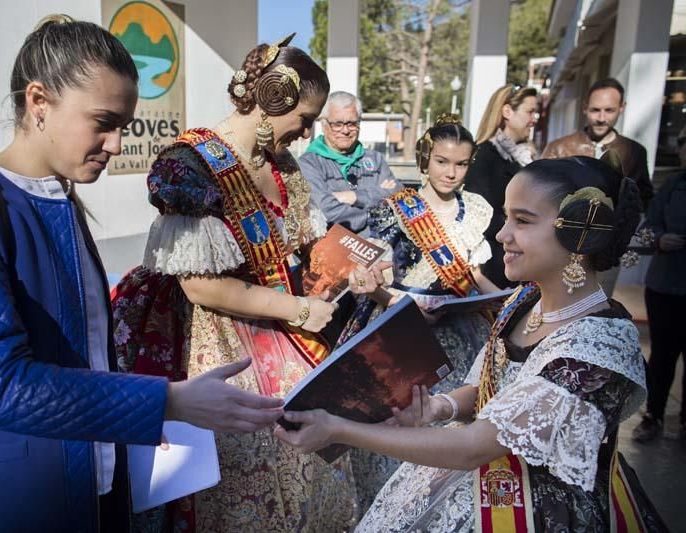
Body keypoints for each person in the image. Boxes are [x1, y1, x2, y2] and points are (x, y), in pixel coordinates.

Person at [0, 16, 284, 533]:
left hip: (94, 491)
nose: (115, 144)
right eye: (103, 122)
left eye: (124, 126)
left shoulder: (63, 199)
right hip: (4, 503)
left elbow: (86, 354)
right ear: (39, 102)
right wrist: (168, 401)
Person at [276, 156, 668, 531]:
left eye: (523, 221)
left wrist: (338, 429)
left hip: (542, 512)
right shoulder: (525, 300)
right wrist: (437, 407)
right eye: (506, 216)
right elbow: (491, 388)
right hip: (481, 486)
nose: (502, 235)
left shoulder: (600, 343)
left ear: (579, 234)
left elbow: (474, 446)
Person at [112, 35, 357, 531]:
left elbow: (303, 250)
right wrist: (298, 309)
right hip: (215, 341)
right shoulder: (192, 165)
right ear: (274, 98)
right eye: (305, 118)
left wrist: (352, 267)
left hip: (282, 329)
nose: (308, 132)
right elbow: (200, 286)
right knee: (242, 481)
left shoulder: (282, 166)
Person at [338, 114, 500, 514]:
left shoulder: (477, 209)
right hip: (402, 331)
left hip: (461, 332)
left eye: (461, 164)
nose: (451, 172)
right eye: (443, 162)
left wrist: (504, 303)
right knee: (396, 426)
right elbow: (377, 278)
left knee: (453, 425)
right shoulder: (396, 209)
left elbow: (475, 275)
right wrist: (396, 302)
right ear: (425, 160)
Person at [465, 84, 538, 289]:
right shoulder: (484, 156)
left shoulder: (525, 156)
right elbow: (481, 214)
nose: (534, 119)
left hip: (519, 260)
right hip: (494, 266)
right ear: (507, 111)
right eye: (530, 111)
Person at [299, 90, 401, 236]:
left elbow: (398, 197)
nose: (345, 130)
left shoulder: (375, 159)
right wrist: (374, 212)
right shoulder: (309, 163)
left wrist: (354, 197)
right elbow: (326, 212)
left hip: (379, 249)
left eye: (352, 123)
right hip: (332, 251)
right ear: (324, 124)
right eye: (337, 124)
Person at [632, 170, 686, 442]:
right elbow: (647, 228)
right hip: (666, 285)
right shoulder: (674, 184)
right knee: (663, 356)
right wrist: (659, 239)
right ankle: (653, 415)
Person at [542, 78, 653, 209]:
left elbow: (644, 200)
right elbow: (541, 193)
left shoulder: (636, 152)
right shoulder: (558, 148)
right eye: (595, 110)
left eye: (609, 110)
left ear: (622, 108)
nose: (601, 118)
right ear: (585, 107)